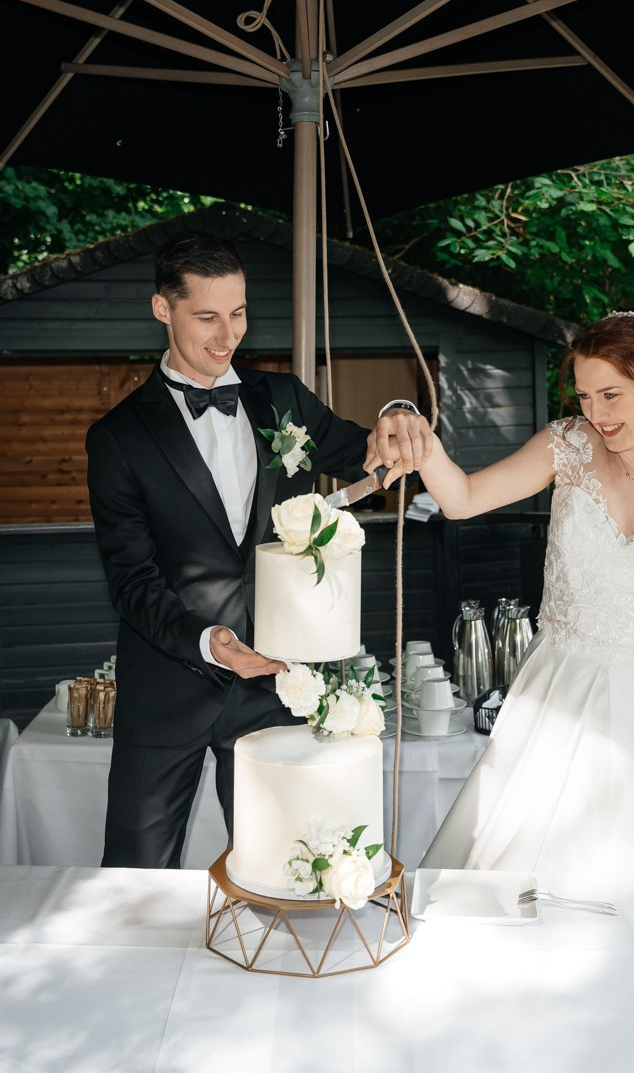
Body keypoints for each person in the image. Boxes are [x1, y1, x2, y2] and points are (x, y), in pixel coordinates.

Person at [373, 308, 634, 960]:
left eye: (611, 394)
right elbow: (459, 498)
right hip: (556, 697)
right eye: (585, 395)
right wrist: (415, 430)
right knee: (515, 886)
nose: (596, 412)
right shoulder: (565, 447)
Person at [86, 230, 430, 869]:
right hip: (167, 686)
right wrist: (206, 640)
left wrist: (398, 412)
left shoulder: (284, 400)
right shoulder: (118, 438)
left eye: (239, 313)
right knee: (134, 878)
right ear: (163, 308)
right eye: (207, 316)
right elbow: (130, 581)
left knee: (281, 869)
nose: (228, 334)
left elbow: (371, 447)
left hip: (276, 689)